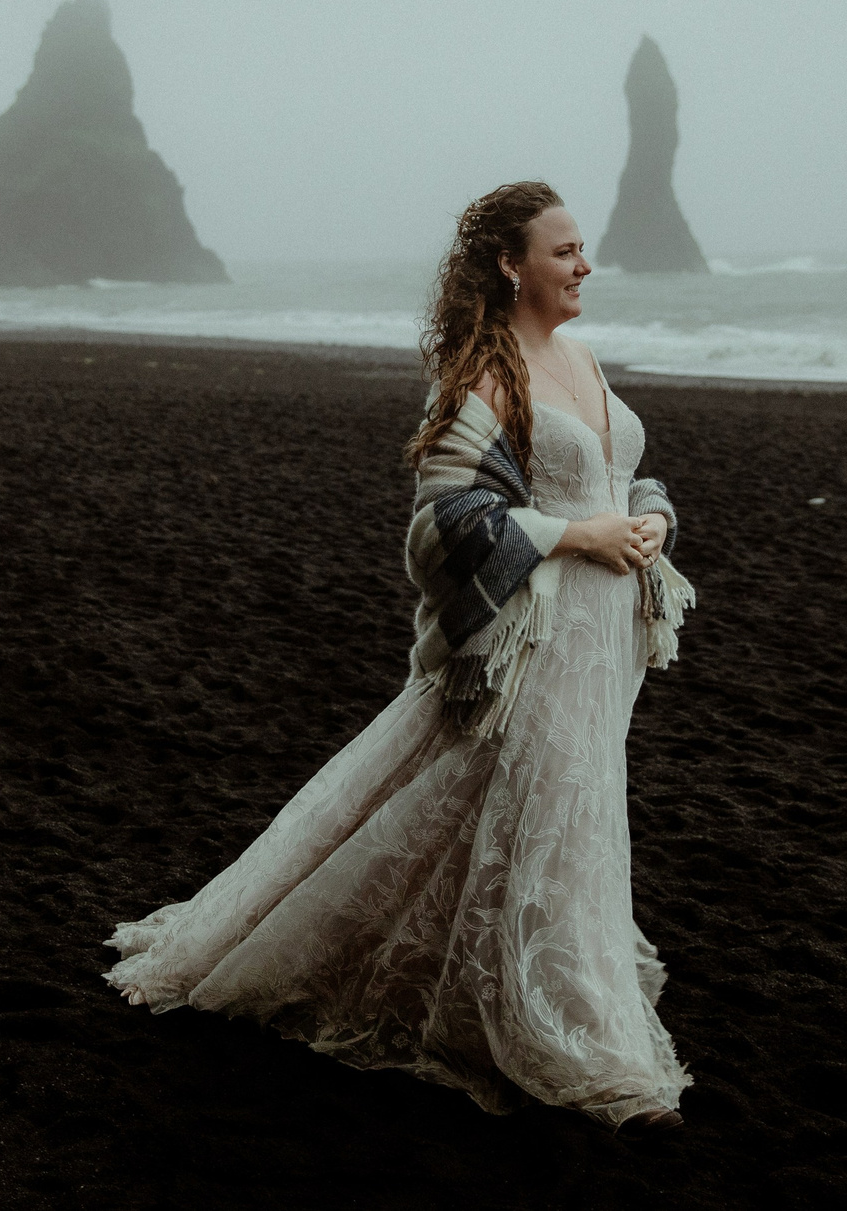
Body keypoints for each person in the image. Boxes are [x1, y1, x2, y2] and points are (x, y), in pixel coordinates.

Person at [103, 180, 697, 1128]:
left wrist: (653, 516)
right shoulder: (488, 379)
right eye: (564, 251)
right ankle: (568, 1033)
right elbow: (446, 521)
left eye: (583, 249)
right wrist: (575, 537)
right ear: (512, 265)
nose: (584, 264)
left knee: (573, 809)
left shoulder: (581, 356)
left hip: (603, 641)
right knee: (527, 807)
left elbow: (623, 471)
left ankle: (554, 979)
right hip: (536, 638)